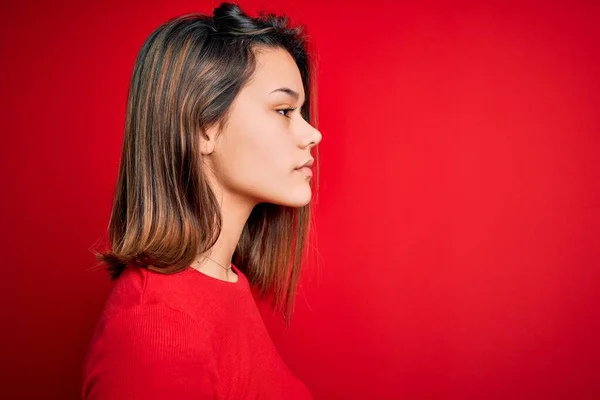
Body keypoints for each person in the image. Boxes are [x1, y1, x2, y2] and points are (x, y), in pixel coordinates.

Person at [81, 2, 322, 399]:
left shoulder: (225, 282)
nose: (313, 134)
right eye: (283, 110)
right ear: (202, 128)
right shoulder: (157, 329)